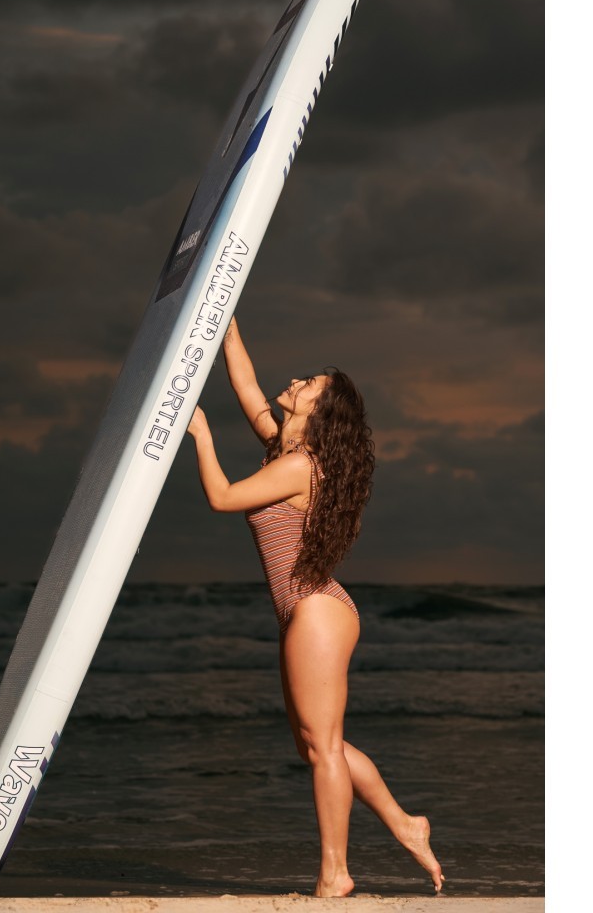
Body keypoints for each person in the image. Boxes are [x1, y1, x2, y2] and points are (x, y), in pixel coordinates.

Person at [186, 317, 445, 899]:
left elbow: (223, 497)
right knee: (314, 744)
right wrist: (224, 319)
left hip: (317, 610)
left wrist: (200, 434)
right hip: (302, 611)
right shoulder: (282, 447)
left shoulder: (300, 466)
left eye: (310, 385)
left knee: (323, 746)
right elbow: (246, 384)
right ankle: (405, 823)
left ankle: (335, 874)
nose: (297, 381)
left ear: (320, 412)